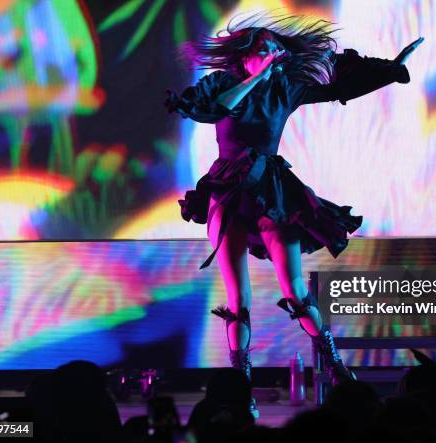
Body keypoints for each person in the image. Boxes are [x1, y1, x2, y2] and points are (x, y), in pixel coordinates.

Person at [165, 12, 423, 418]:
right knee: (238, 297)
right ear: (247, 56)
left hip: (271, 190)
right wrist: (255, 78)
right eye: (263, 48)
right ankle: (241, 386)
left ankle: (336, 366)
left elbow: (339, 85)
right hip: (227, 191)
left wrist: (392, 67)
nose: (272, 54)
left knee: (295, 290)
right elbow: (214, 110)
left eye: (274, 49)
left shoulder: (285, 88)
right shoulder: (224, 84)